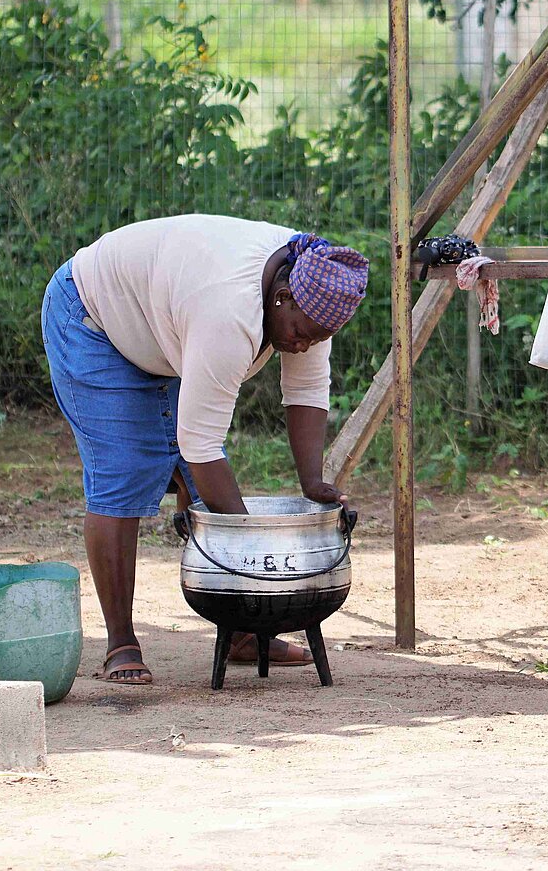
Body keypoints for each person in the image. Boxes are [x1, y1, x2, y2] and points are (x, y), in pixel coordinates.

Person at [41, 215, 369, 685]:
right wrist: (253, 554)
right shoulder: (228, 312)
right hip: (94, 316)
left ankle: (238, 633)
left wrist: (312, 482)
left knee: (201, 484)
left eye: (318, 337)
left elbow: (307, 392)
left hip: (159, 322)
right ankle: (120, 641)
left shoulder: (312, 293)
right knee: (124, 471)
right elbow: (200, 445)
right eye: (302, 332)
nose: (305, 344)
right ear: (282, 298)